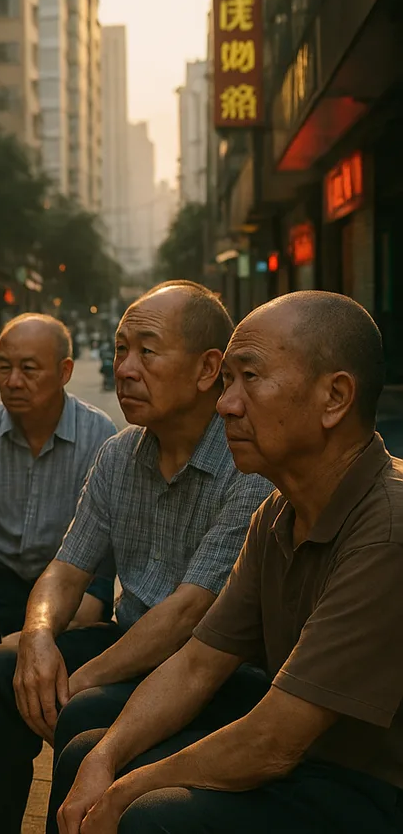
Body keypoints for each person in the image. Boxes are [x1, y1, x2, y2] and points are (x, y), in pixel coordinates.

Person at [53, 291, 403, 834]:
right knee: (87, 752)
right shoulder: (278, 511)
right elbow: (197, 664)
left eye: (250, 379)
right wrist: (106, 761)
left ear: (334, 398)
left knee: (148, 816)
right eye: (227, 383)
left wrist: (124, 792)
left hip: (373, 788)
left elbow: (273, 741)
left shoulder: (387, 528)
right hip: (310, 762)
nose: (226, 404)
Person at [0, 282, 275, 834]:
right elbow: (66, 569)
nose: (124, 368)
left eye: (146, 351)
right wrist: (37, 638)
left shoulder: (246, 464)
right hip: (129, 641)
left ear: (206, 370)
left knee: (80, 709)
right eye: (120, 349)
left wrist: (77, 680)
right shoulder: (120, 453)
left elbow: (189, 612)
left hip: (212, 668)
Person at [0, 313, 118, 637]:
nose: (13, 381)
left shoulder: (97, 433)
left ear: (65, 371)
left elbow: (103, 552)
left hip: (72, 580)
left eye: (29, 369)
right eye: (4, 367)